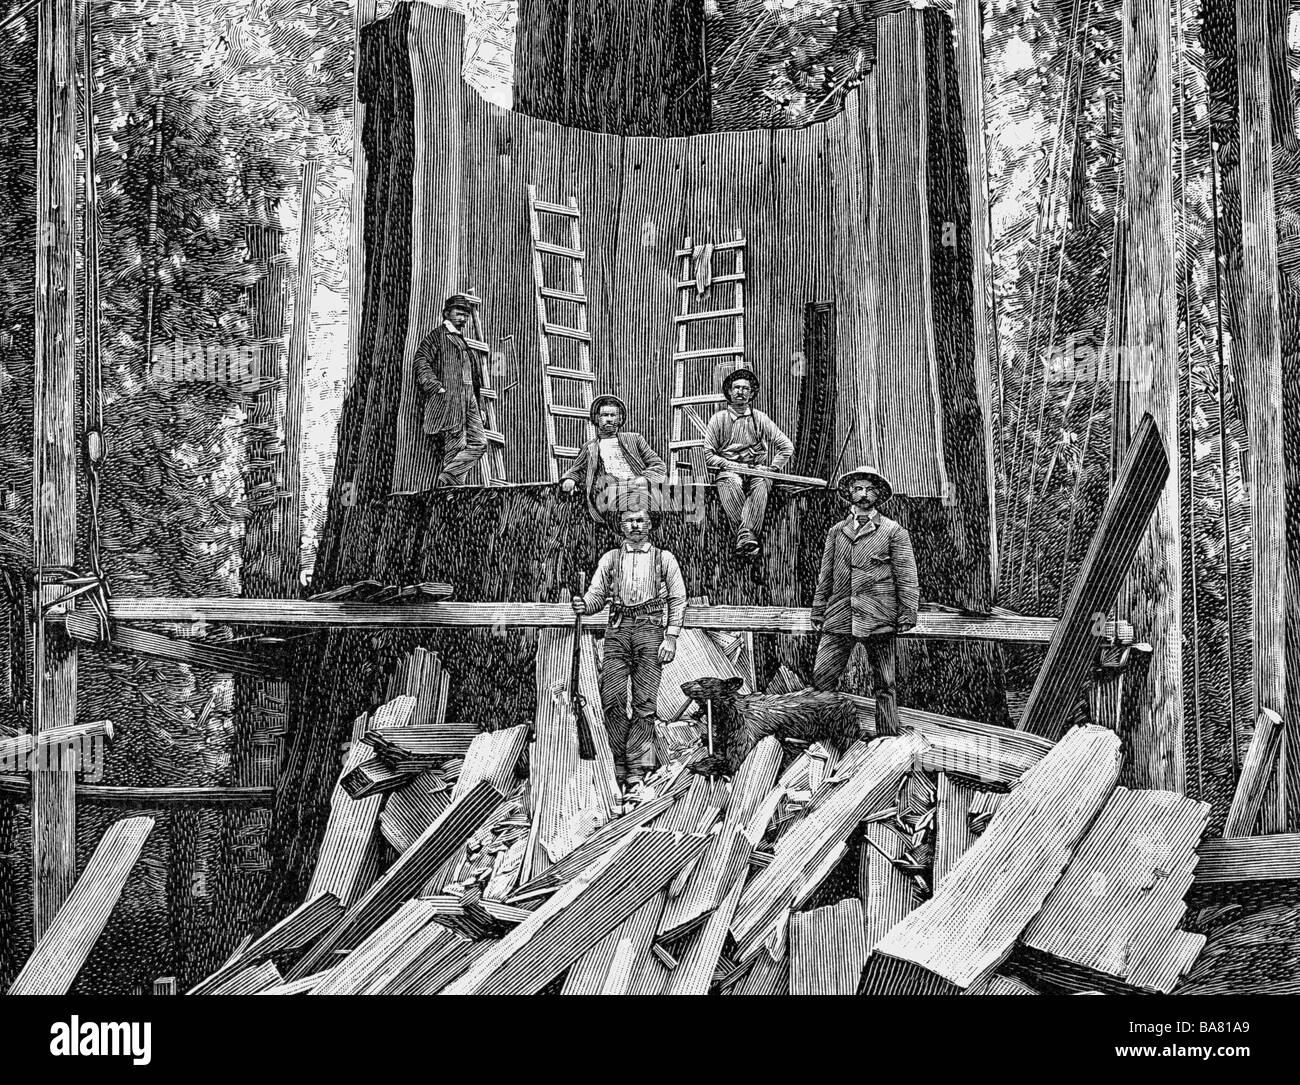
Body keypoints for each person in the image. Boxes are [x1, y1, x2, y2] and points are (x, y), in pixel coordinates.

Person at [572, 503, 687, 791]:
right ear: (621, 526)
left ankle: (638, 767)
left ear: (650, 524)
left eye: (640, 520)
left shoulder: (665, 559)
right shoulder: (610, 559)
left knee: (645, 704)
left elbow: (678, 599)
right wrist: (584, 605)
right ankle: (616, 763)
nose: (635, 526)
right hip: (618, 630)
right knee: (611, 699)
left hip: (650, 631)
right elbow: (597, 595)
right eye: (628, 521)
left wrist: (671, 636)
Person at [810, 465, 919, 737]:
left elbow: (906, 574)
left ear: (878, 495)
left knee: (885, 683)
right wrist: (819, 609)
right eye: (858, 488)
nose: (863, 494)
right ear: (849, 493)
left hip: (879, 616)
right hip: (839, 614)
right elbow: (826, 573)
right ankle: (827, 734)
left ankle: (888, 736)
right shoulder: (837, 532)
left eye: (870, 489)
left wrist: (908, 612)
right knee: (822, 679)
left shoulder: (894, 531)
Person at [703, 367, 794, 558]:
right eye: (736, 388)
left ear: (752, 393)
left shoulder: (760, 418)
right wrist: (731, 465)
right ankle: (746, 536)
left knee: (762, 482)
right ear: (729, 391)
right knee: (731, 482)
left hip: (756, 470)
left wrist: (774, 467)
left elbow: (786, 446)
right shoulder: (718, 419)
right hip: (729, 470)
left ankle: (743, 536)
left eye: (746, 389)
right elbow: (709, 455)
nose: (740, 392)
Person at [558, 394, 667, 533]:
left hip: (637, 489)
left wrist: (644, 478)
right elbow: (577, 470)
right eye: (604, 415)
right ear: (597, 418)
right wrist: (569, 479)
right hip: (610, 494)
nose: (609, 419)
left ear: (620, 418)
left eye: (613, 415)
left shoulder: (635, 439)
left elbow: (658, 465)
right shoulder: (590, 447)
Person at [412, 294, 488, 487]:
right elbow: (421, 361)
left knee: (479, 442)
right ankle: (451, 492)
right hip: (451, 399)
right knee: (456, 444)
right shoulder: (437, 336)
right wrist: (436, 387)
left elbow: (474, 377)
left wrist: (480, 406)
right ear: (447, 313)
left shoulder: (461, 340)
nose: (462, 318)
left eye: (466, 315)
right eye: (458, 314)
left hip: (469, 398)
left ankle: (448, 479)